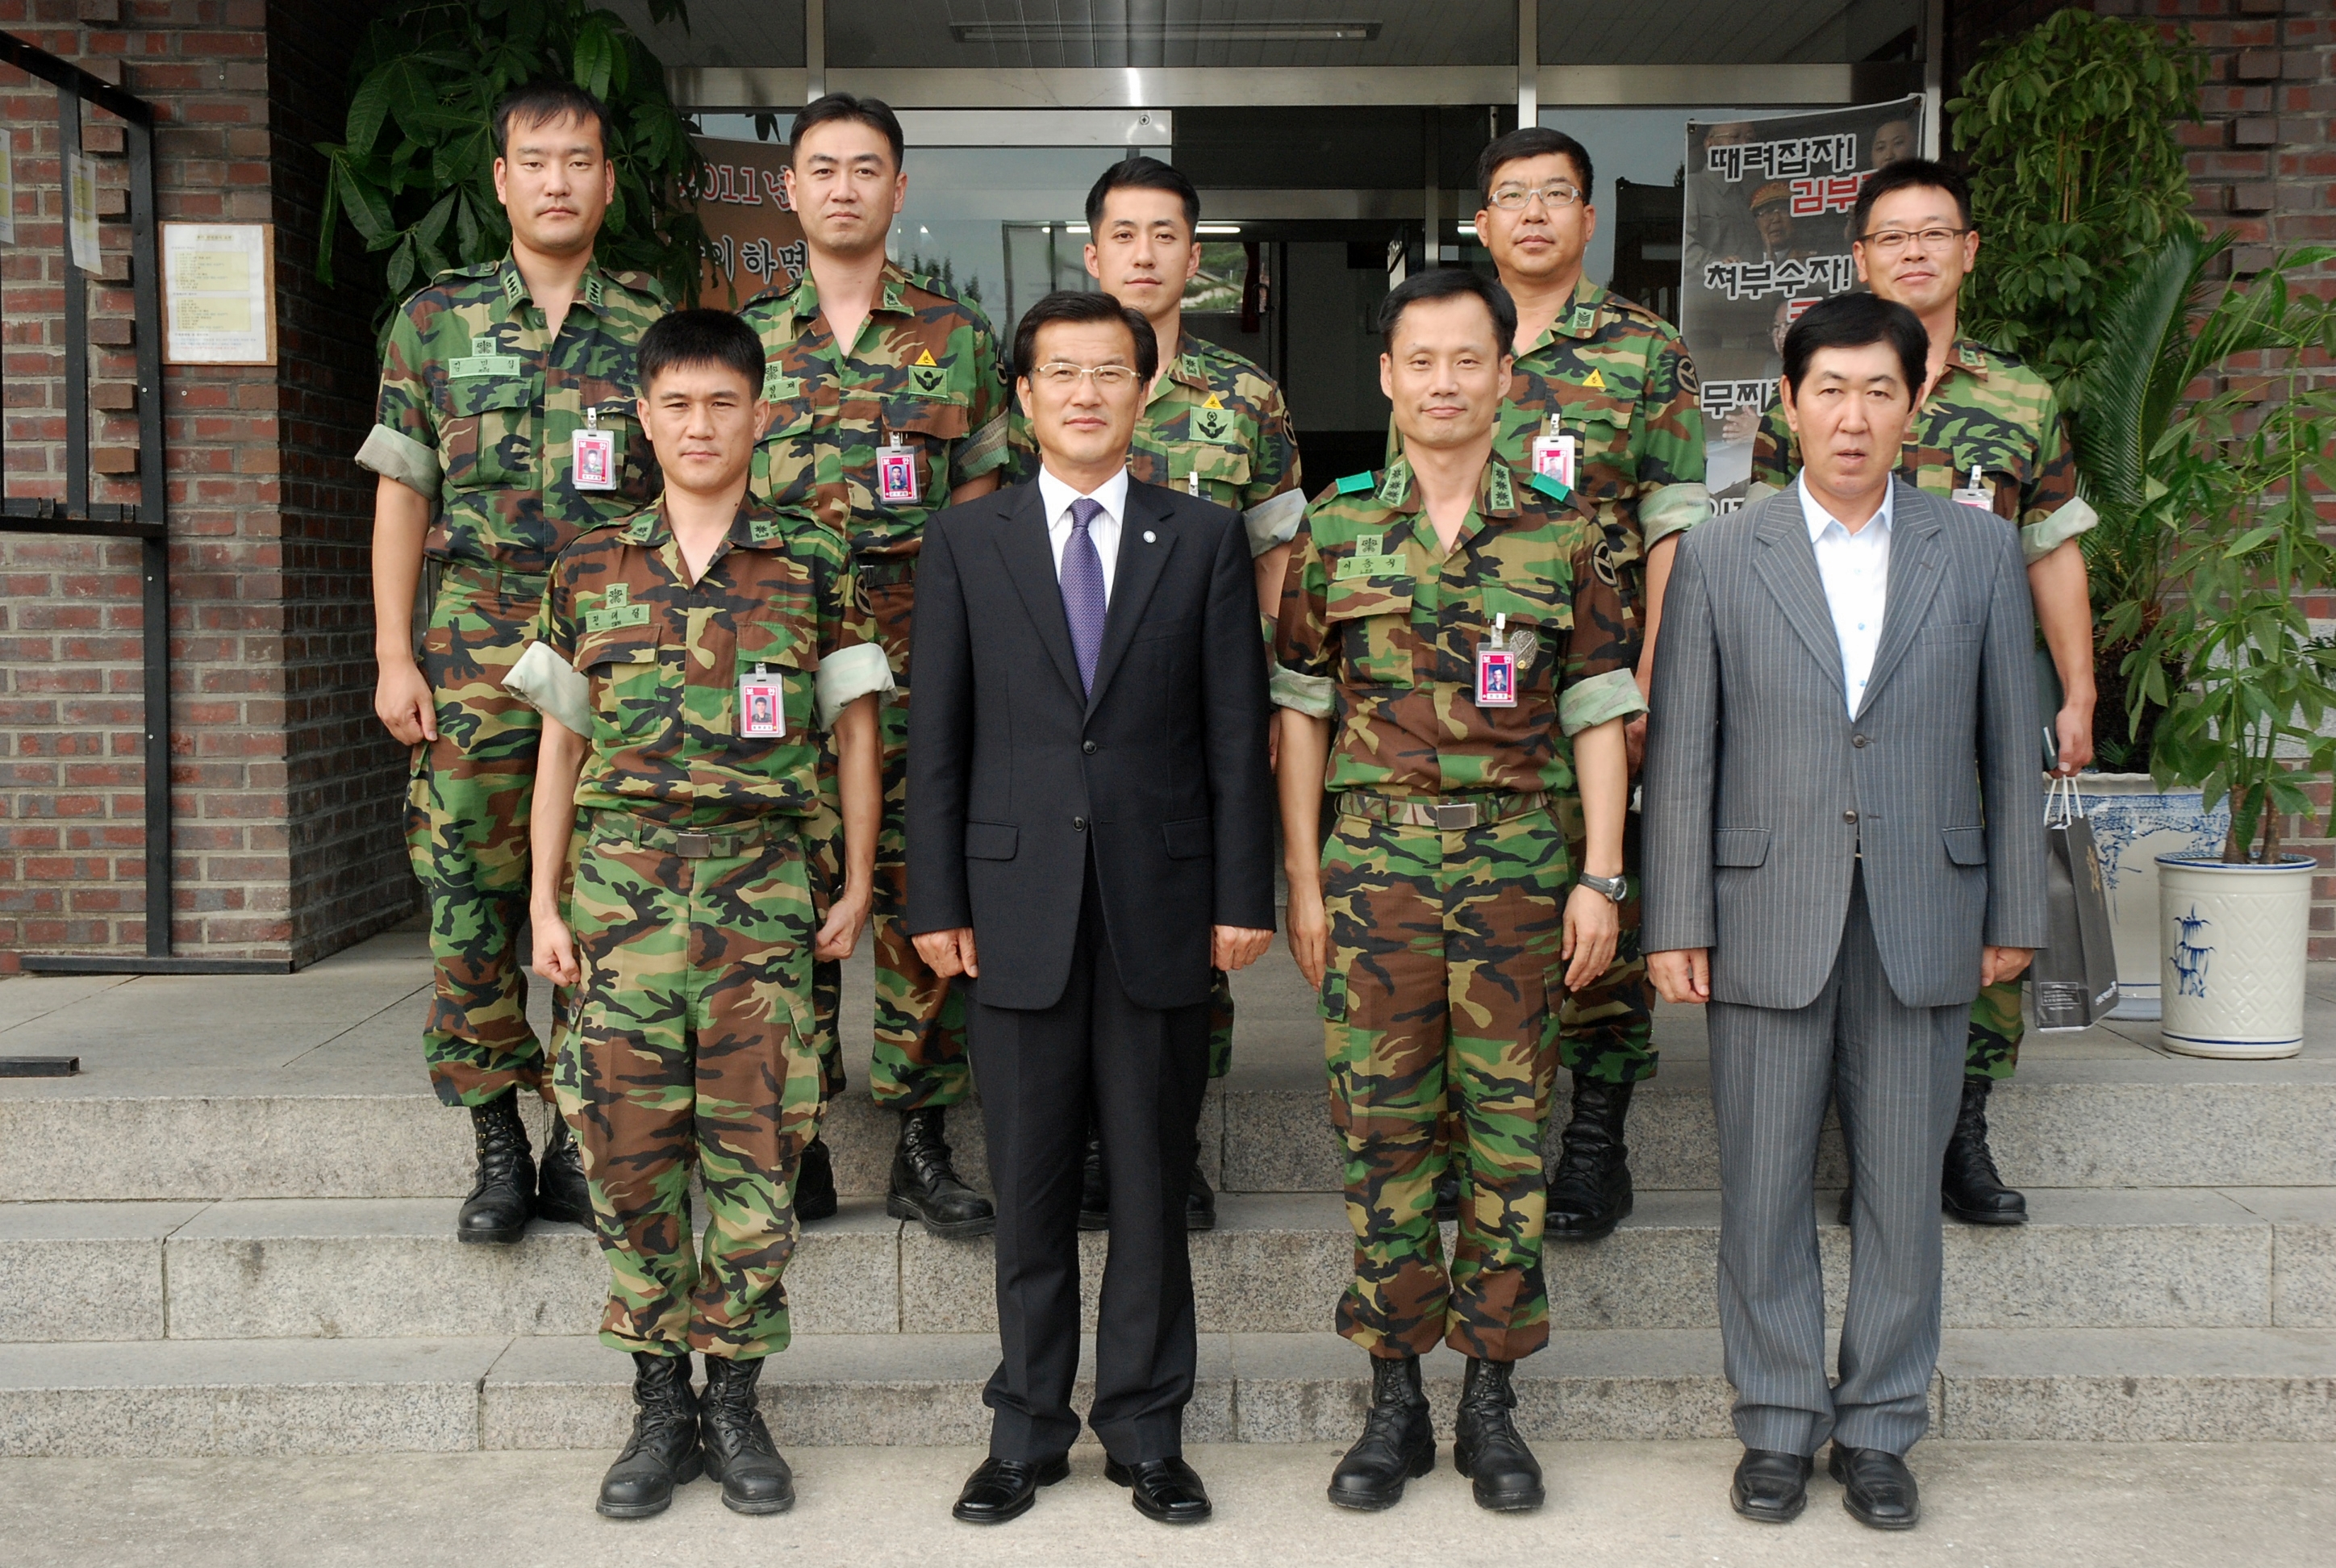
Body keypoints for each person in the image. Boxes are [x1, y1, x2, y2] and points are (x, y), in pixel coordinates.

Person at [1643, 292, 2045, 1533]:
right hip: (1768, 910)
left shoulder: (1978, 552)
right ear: (1790, 403)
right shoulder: (1722, 553)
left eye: (1880, 390)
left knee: (1900, 1196)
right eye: (1831, 390)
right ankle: (1775, 1423)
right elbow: (1685, 751)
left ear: (1915, 404)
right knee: (1763, 1189)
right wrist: (1676, 917)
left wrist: (2016, 907)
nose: (1854, 416)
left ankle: (1879, 1428)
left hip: (1927, 909)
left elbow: (2011, 746)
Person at [905, 290, 1274, 1528]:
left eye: (1109, 371)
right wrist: (935, 896)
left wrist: (1242, 891)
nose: (1084, 393)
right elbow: (937, 736)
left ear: (1144, 387)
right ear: (1023, 396)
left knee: (1155, 1189)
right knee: (1029, 1189)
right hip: (1012, 908)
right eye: (1060, 372)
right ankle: (1025, 1431)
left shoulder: (1203, 536)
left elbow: (1235, 732)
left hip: (1159, 903)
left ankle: (1147, 1433)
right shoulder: (968, 540)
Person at [1276, 268, 1640, 1514]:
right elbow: (1300, 715)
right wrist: (1304, 879)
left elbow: (1598, 714)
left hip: (1519, 874)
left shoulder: (1565, 534)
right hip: (1374, 873)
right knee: (1379, 1134)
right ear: (1387, 376)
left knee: (1506, 1137)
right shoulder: (1335, 531)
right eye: (1420, 360)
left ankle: (1491, 1398)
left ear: (1504, 376)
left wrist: (1601, 876)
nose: (1444, 383)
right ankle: (1394, 1398)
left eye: (1467, 360)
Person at [519, 308, 891, 1520]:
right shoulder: (588, 566)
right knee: (624, 1153)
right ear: (642, 416)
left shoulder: (814, 561)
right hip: (619, 904)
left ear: (759, 415)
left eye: (722, 403)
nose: (698, 425)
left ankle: (733, 1400)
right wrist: (543, 902)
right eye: (676, 403)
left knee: (757, 1156)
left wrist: (857, 883)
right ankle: (657, 1405)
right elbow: (559, 749)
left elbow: (857, 737)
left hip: (762, 900)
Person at [1747, 157, 2098, 1227]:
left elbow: (2051, 548)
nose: (1914, 251)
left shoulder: (2020, 396)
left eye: (1934, 232)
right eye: (1892, 236)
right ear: (1861, 255)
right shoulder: (1809, 384)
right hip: (1839, 706)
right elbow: (1768, 550)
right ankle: (1857, 1135)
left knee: (1973, 892)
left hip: (1966, 707)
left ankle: (1960, 1132)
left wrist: (2077, 690)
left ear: (1968, 250)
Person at [359, 82, 666, 1245]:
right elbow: (403, 492)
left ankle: (577, 1138)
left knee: (603, 889)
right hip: (473, 649)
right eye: (534, 160)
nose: (556, 181)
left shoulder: (649, 322)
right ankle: (496, 1139)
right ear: (500, 179)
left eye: (578, 160)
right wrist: (394, 653)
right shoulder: (435, 320)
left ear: (608, 181)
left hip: (613, 650)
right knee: (468, 895)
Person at [740, 93, 1012, 1241]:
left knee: (919, 896)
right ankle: (797, 1136)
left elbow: (983, 513)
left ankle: (919, 1140)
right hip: (773, 672)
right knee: (783, 894)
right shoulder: (745, 340)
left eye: (866, 169)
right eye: (822, 168)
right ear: (790, 189)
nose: (843, 188)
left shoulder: (957, 339)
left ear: (900, 190)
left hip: (915, 667)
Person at [1020, 155, 1305, 1232]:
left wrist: (1261, 696)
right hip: (1071, 710)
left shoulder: (1247, 398)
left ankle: (1168, 1140)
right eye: (1124, 235)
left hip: (1192, 712)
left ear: (1197, 256)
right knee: (1071, 927)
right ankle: (1090, 1142)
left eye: (1167, 235)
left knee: (1185, 935)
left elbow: (1277, 554)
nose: (1144, 255)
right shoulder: (1050, 378)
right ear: (1093, 252)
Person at [1468, 125, 1712, 1241]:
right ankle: (1485, 1131)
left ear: (1589, 217)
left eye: (1555, 195)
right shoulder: (1454, 332)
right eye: (1513, 197)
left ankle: (1594, 1143)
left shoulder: (1643, 349)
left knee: (1609, 887)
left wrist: (1656, 668)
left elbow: (1674, 525)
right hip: (1475, 680)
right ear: (1483, 221)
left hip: (1602, 670)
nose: (1534, 215)